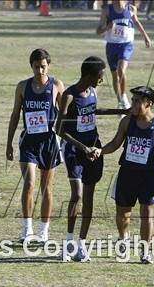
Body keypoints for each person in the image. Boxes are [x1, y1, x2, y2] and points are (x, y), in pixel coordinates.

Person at [91, 86, 154, 263]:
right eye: (133, 100)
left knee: (147, 214)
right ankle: (123, 240)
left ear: (149, 104)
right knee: (123, 213)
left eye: (137, 101)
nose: (134, 104)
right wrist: (100, 151)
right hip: (127, 173)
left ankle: (145, 251)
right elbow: (115, 143)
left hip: (148, 176)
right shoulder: (126, 122)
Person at [56, 56, 128, 262]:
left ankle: (81, 246)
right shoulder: (69, 96)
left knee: (89, 197)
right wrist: (82, 147)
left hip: (93, 150)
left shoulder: (92, 92)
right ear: (88, 75)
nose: (101, 80)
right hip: (74, 151)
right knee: (77, 195)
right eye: (100, 76)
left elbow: (94, 111)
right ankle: (68, 244)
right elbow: (58, 129)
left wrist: (123, 111)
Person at [6, 48, 64, 243]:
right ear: (31, 66)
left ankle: (44, 230)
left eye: (43, 67)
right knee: (29, 183)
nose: (40, 71)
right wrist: (9, 143)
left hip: (49, 142)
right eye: (36, 67)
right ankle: (27, 229)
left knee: (46, 187)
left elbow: (66, 113)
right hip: (29, 142)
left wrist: (66, 137)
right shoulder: (22, 87)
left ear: (49, 66)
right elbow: (15, 115)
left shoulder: (56, 85)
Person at [96, 0, 151, 110]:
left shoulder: (131, 9)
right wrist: (107, 28)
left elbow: (136, 21)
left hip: (126, 44)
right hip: (111, 45)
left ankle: (124, 97)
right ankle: (120, 101)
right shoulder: (107, 9)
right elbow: (98, 31)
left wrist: (145, 36)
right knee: (114, 75)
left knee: (121, 70)